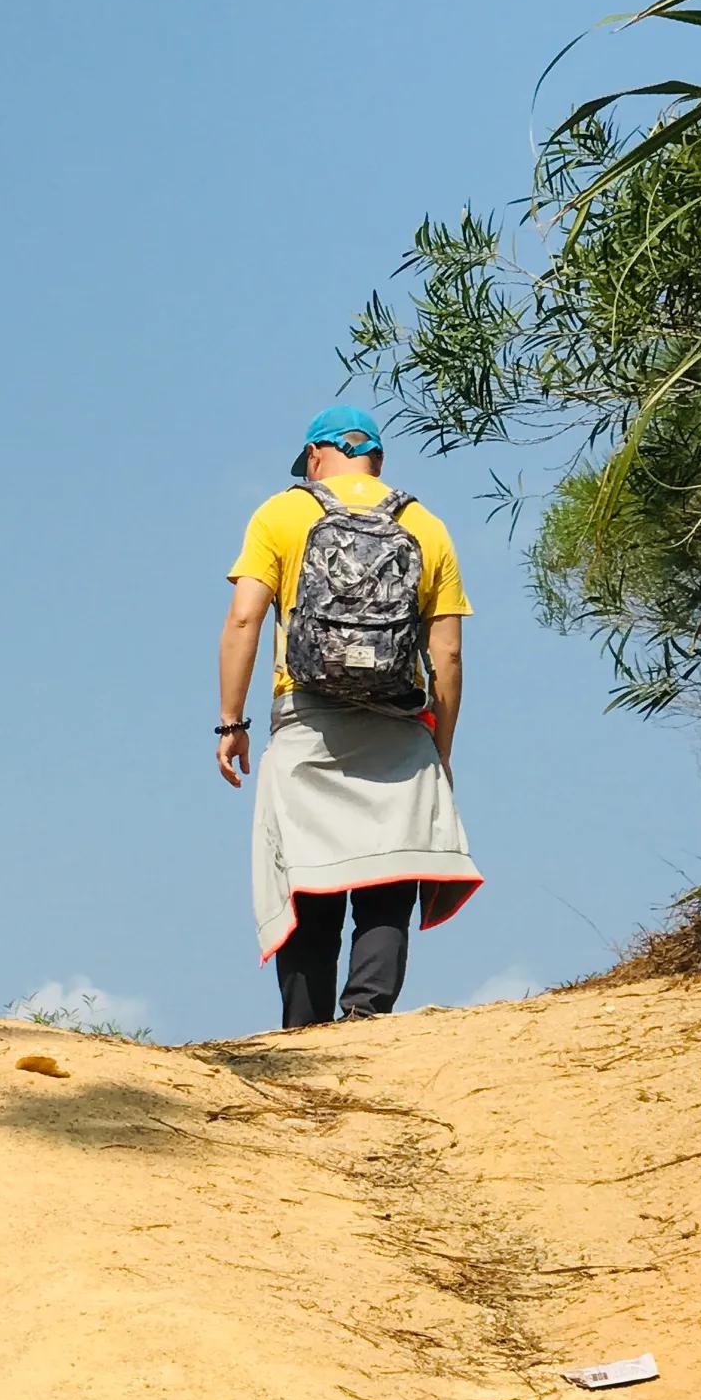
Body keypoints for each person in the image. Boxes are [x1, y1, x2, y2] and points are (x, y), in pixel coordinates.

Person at [217, 406, 481, 1027]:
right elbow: (446, 651)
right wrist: (440, 748)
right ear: (378, 461)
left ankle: (304, 1031)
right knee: (387, 876)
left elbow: (244, 620)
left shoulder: (283, 512)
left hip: (308, 721)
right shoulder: (426, 525)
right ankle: (367, 1017)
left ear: (315, 456)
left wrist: (231, 722)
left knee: (309, 879)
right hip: (398, 725)